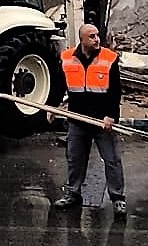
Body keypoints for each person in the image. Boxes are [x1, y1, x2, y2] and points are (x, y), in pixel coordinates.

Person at [51, 23, 127, 217]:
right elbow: (59, 86)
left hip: (102, 121)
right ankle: (73, 194)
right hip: (77, 119)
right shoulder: (67, 59)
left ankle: (118, 198)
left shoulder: (109, 58)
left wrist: (111, 116)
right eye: (92, 36)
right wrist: (52, 106)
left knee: (112, 160)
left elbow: (114, 91)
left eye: (97, 36)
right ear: (82, 40)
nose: (96, 39)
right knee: (75, 159)